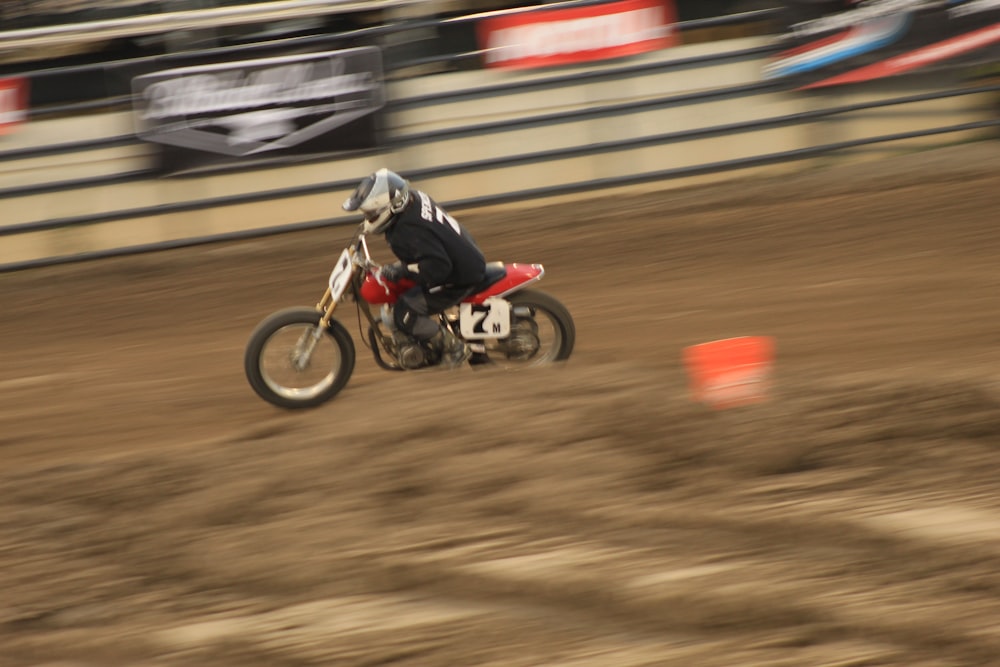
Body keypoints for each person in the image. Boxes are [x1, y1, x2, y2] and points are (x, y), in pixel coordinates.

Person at [342, 168, 487, 368]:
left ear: (390, 206)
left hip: (458, 274)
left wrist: (401, 270)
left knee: (404, 312)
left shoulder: (410, 229)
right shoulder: (413, 200)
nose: (369, 218)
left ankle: (454, 348)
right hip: (457, 254)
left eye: (371, 213)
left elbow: (438, 267)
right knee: (396, 289)